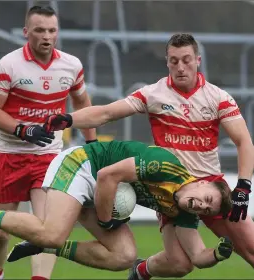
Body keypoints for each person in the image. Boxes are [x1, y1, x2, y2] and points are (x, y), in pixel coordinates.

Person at [42, 33, 254, 278]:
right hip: (170, 193)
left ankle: (140, 270)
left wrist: (243, 186)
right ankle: (143, 270)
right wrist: (69, 119)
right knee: (179, 265)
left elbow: (244, 142)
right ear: (167, 62)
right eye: (174, 61)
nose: (180, 67)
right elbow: (107, 113)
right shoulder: (154, 94)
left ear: (197, 61)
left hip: (209, 191)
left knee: (249, 250)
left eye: (186, 60)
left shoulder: (218, 97)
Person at [0, 140, 233, 273]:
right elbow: (107, 176)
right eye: (206, 199)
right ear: (200, 182)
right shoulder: (165, 166)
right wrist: (106, 221)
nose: (200, 207)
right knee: (51, 231)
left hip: (104, 194)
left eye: (206, 210)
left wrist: (218, 255)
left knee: (123, 257)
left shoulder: (183, 209)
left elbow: (196, 256)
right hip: (83, 165)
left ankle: (51, 248)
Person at [0, 5, 96, 280]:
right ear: (26, 32)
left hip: (48, 156)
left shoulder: (71, 65)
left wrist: (92, 144)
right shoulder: (8, 65)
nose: (47, 36)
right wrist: (23, 130)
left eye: (52, 30)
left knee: (48, 229)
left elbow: (82, 102)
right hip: (9, 153)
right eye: (40, 30)